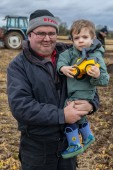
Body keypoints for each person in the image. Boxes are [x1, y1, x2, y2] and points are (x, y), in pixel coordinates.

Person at [7, 10, 100, 170]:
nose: (47, 38)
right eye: (41, 33)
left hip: (68, 143)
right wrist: (62, 115)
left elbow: (90, 88)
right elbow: (21, 106)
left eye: (52, 33)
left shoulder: (72, 56)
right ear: (29, 35)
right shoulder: (18, 66)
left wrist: (91, 104)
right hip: (37, 148)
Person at [57, 19, 109, 159]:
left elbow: (105, 80)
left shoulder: (96, 57)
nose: (80, 41)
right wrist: (62, 68)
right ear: (72, 40)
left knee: (69, 116)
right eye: (77, 38)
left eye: (85, 37)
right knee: (80, 116)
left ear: (92, 38)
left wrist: (97, 75)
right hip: (73, 91)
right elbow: (61, 58)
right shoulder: (71, 53)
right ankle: (87, 136)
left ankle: (74, 144)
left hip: (84, 93)